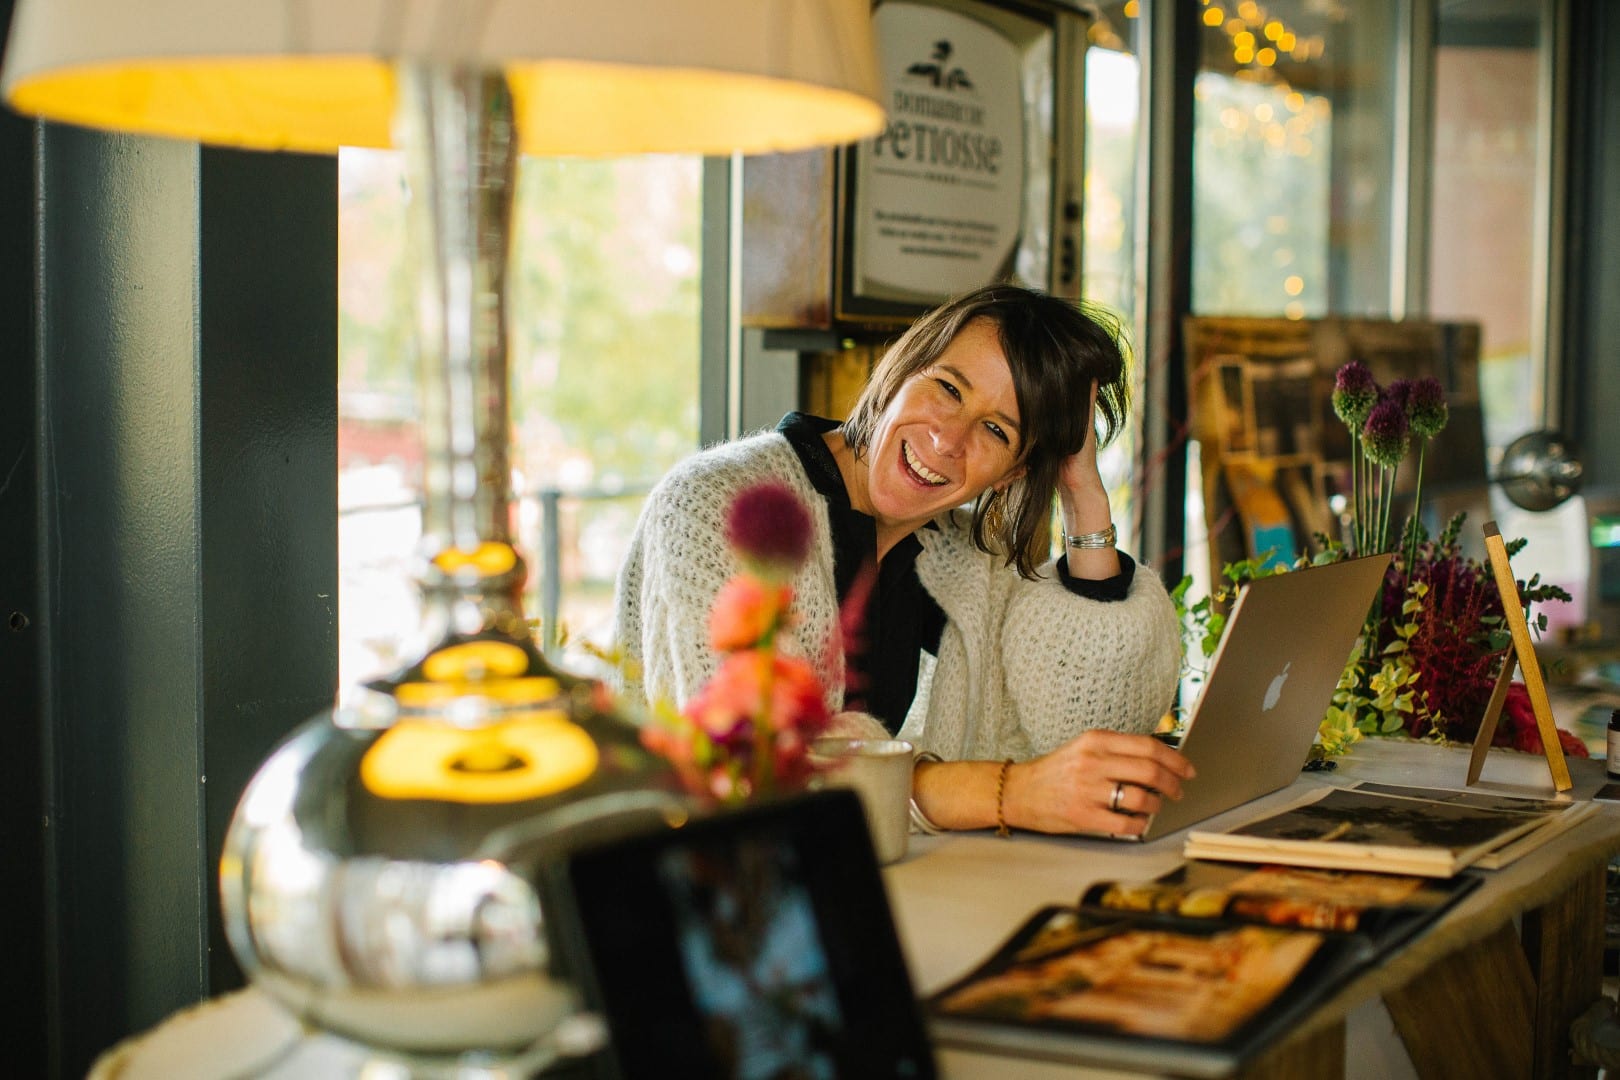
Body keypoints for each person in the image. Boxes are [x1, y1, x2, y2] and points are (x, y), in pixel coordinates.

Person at [613, 284, 1191, 837]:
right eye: (947, 388)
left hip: (888, 878)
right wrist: (1007, 792)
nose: (947, 439)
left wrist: (1084, 494)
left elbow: (1088, 725)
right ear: (901, 368)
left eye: (995, 429)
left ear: (1015, 471)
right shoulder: (723, 504)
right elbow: (757, 769)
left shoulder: (962, 558)